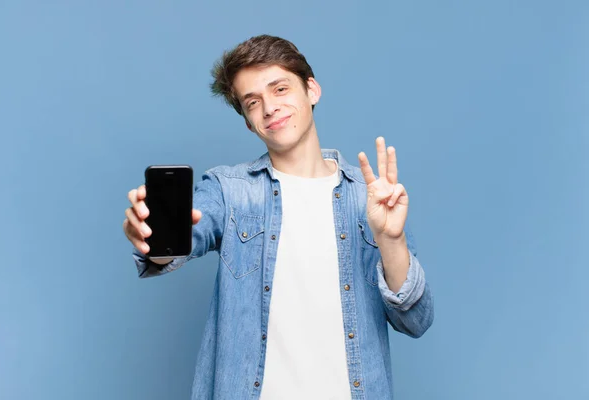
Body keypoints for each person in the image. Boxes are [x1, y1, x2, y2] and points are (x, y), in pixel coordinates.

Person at [123, 34, 434, 400]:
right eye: (253, 102)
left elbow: (415, 321)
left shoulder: (370, 197)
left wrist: (391, 240)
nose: (270, 107)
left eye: (280, 88)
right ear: (249, 122)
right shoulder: (229, 190)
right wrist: (150, 237)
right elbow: (182, 239)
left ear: (312, 90)